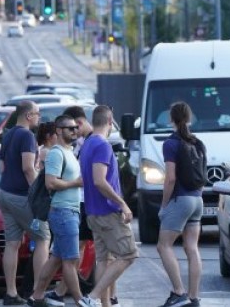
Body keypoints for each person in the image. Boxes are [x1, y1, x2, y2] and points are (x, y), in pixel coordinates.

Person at [77, 105, 137, 307]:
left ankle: (104, 304)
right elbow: (99, 181)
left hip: (93, 212)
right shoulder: (102, 146)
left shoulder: (87, 144)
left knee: (104, 260)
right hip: (107, 212)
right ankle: (92, 297)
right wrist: (123, 204)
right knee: (129, 254)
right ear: (110, 122)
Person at [28, 115, 84, 307]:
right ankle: (80, 301)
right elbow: (50, 182)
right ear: (59, 131)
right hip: (62, 211)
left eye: (76, 127)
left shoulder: (70, 152)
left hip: (70, 211)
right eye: (70, 128)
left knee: (56, 259)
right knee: (71, 259)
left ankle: (36, 297)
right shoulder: (56, 153)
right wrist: (75, 183)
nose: (74, 131)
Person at [0, 100, 50, 305]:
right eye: (38, 113)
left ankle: (11, 293)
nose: (39, 117)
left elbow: (2, 168)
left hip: (4, 193)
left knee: (12, 244)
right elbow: (28, 168)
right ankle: (38, 293)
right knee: (43, 238)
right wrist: (38, 193)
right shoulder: (27, 136)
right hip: (22, 196)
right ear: (28, 116)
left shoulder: (8, 134)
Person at [157, 102, 204, 307]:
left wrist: (164, 205)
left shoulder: (171, 143)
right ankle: (194, 298)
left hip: (180, 199)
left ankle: (178, 292)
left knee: (163, 245)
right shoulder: (198, 142)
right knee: (191, 248)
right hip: (198, 199)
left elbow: (170, 179)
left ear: (171, 118)